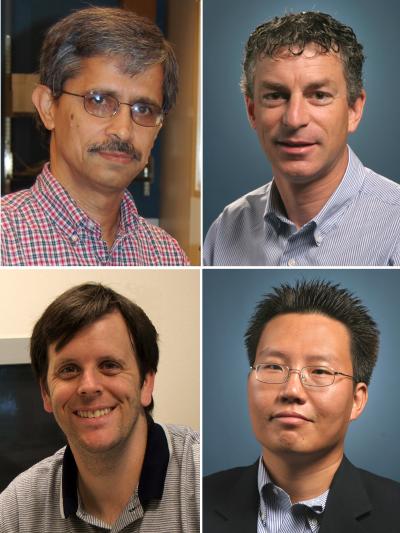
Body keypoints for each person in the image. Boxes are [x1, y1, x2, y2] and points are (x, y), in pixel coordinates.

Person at [203, 11, 400, 266]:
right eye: (275, 96)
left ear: (354, 110)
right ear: (252, 112)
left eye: (319, 95)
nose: (294, 119)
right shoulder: (226, 229)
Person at [0, 283, 199, 532]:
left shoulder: (202, 479)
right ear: (46, 393)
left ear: (146, 383)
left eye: (109, 365)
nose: (89, 386)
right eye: (69, 369)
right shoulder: (17, 510)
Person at [204, 279, 400, 532]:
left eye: (320, 371)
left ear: (356, 400)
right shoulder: (201, 499)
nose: (292, 391)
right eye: (273, 367)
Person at [1, 7, 189, 266]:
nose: (123, 130)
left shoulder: (167, 256)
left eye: (144, 109)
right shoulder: (5, 240)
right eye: (99, 101)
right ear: (48, 107)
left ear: (157, 129)